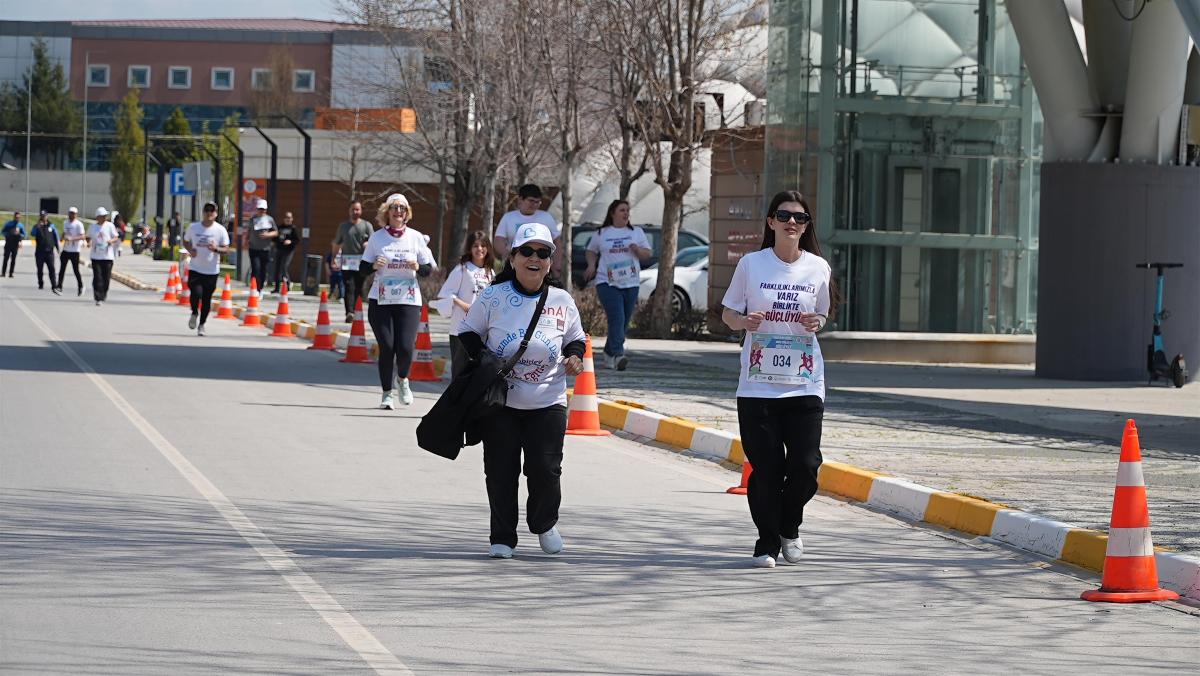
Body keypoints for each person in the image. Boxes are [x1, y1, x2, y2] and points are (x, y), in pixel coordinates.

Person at [458, 222, 587, 559]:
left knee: (546, 469)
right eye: (527, 251)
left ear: (549, 261)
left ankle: (544, 523)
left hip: (548, 399)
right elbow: (468, 332)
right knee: (501, 470)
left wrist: (575, 356)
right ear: (512, 258)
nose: (534, 258)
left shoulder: (561, 299)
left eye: (542, 253)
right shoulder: (494, 296)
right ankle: (502, 536)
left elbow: (575, 338)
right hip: (500, 401)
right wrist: (485, 360)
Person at [720, 190, 835, 569]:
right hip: (758, 384)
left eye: (799, 218)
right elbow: (728, 313)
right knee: (766, 470)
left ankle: (790, 525)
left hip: (804, 381)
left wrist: (818, 321)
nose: (791, 223)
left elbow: (822, 314)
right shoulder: (752, 265)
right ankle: (767, 542)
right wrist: (743, 321)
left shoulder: (818, 267)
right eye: (784, 216)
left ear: (806, 226)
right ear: (770, 221)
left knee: (806, 465)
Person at [359, 193, 435, 409]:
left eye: (402, 208)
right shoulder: (377, 238)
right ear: (387, 212)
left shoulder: (415, 237)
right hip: (381, 299)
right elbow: (362, 268)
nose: (398, 211)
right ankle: (386, 394)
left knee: (405, 347)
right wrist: (374, 265)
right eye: (394, 207)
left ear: (407, 213)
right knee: (387, 346)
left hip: (408, 299)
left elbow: (428, 269)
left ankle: (402, 379)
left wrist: (418, 267)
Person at [583, 199, 651, 371]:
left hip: (631, 282)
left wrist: (637, 250)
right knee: (617, 317)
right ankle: (618, 354)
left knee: (624, 321)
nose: (626, 213)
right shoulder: (602, 233)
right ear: (612, 213)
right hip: (607, 282)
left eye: (627, 210)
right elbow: (591, 251)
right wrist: (591, 265)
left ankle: (608, 351)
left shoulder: (636, 232)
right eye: (622, 210)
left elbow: (647, 254)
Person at [436, 230, 495, 378]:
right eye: (475, 245)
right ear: (469, 248)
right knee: (460, 371)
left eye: (483, 245)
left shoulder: (490, 272)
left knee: (477, 372)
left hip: (482, 329)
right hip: (461, 329)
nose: (479, 249)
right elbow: (445, 293)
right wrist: (464, 305)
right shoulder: (462, 269)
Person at [183, 202, 231, 336]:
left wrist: (216, 249)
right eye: (207, 210)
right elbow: (186, 240)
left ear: (216, 214)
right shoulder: (194, 227)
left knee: (206, 299)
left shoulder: (220, 230)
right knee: (196, 293)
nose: (209, 213)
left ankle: (202, 324)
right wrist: (190, 250)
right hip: (195, 268)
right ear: (203, 212)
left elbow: (226, 248)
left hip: (211, 270)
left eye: (212, 211)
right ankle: (194, 312)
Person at [493, 184, 562, 274]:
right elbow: (498, 240)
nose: (534, 205)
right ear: (520, 199)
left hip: (540, 263)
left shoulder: (546, 217)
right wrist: (508, 254)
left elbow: (557, 241)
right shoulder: (509, 217)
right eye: (531, 201)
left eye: (537, 202)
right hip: (515, 265)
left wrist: (557, 262)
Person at [332, 200, 373, 323]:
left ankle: (356, 310)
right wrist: (334, 257)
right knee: (349, 286)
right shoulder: (343, 226)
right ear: (349, 211)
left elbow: (374, 242)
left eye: (357, 209)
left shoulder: (366, 226)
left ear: (361, 211)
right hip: (347, 261)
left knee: (359, 287)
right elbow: (337, 243)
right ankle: (349, 312)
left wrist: (368, 244)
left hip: (362, 261)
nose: (355, 212)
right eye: (353, 209)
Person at [86, 207, 120, 305]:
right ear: (98, 217)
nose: (104, 217)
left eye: (105, 216)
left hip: (107, 256)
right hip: (95, 256)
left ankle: (104, 293)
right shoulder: (92, 227)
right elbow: (88, 237)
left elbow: (116, 237)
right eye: (102, 216)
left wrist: (111, 241)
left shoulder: (110, 226)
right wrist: (89, 242)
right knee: (97, 277)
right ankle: (98, 297)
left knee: (106, 278)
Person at [245, 198, 277, 291]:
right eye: (260, 209)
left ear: (266, 209)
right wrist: (246, 240)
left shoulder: (270, 219)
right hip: (253, 248)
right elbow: (248, 231)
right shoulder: (253, 219)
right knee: (255, 268)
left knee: (263, 269)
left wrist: (268, 235)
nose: (261, 211)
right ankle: (254, 287)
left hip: (265, 249)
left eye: (263, 209)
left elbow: (275, 232)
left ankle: (260, 288)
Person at [58, 206, 86, 296]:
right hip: (66, 249)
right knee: (62, 269)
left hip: (75, 250)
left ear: (76, 214)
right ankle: (59, 286)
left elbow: (82, 236)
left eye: (73, 214)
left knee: (75, 270)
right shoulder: (66, 223)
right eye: (70, 213)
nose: (72, 215)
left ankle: (81, 286)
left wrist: (72, 238)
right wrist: (62, 237)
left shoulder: (78, 224)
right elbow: (64, 232)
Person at [30, 212, 60, 293]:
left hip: (49, 251)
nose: (43, 217)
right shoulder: (37, 226)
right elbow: (32, 233)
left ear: (47, 216)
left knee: (52, 269)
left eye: (45, 216)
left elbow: (56, 237)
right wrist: (38, 226)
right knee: (40, 269)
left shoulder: (51, 226)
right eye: (42, 216)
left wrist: (58, 248)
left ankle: (54, 285)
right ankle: (40, 283)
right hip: (40, 252)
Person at [272, 211, 297, 294]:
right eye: (286, 218)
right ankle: (276, 288)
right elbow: (275, 238)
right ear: (284, 219)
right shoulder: (280, 227)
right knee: (277, 268)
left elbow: (297, 240)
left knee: (284, 266)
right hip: (279, 249)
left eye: (289, 218)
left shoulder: (293, 228)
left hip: (289, 251)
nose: (288, 219)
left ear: (292, 219)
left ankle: (288, 283)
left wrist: (290, 241)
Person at [2, 211, 25, 277]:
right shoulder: (9, 224)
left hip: (15, 244)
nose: (17, 218)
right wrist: (9, 233)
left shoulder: (20, 225)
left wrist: (19, 235)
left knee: (13, 259)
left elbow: (24, 234)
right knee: (6, 258)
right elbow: (3, 232)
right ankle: (3, 273)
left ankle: (11, 273)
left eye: (18, 217)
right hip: (8, 243)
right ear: (14, 217)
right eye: (16, 217)